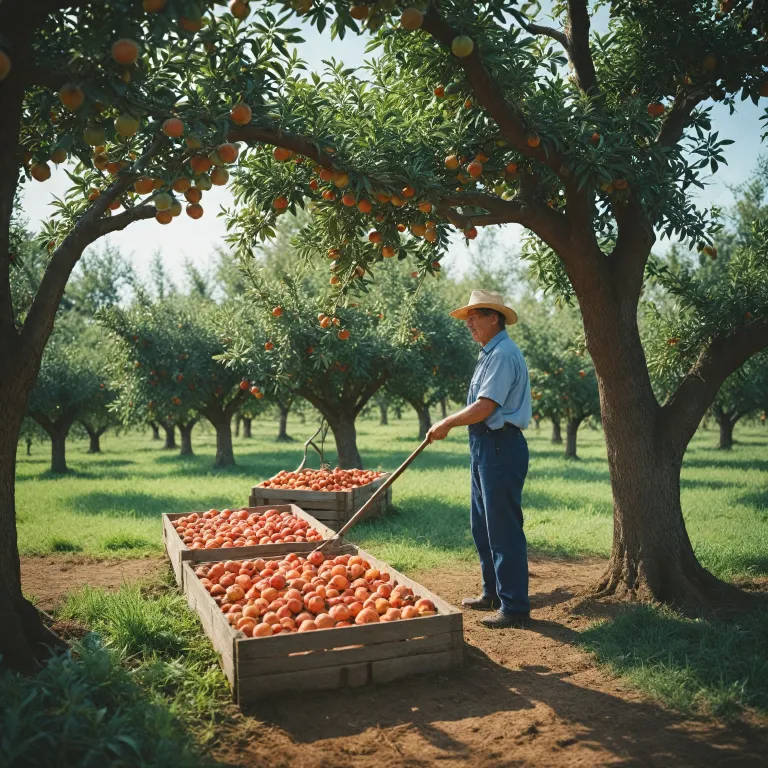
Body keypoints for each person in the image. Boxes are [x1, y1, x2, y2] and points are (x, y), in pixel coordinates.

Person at [427, 289, 532, 629]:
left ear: (495, 318)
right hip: (485, 446)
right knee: (483, 526)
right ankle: (494, 593)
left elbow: (486, 407)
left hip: (500, 445)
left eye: (476, 315)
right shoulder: (489, 354)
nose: (469, 322)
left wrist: (446, 422)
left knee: (502, 529)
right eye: (467, 317)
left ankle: (514, 606)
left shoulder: (502, 354)